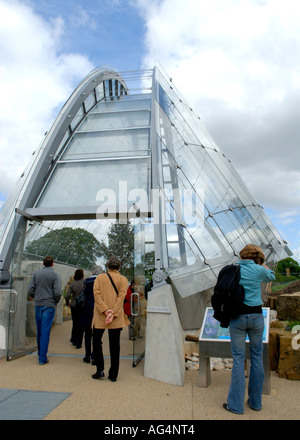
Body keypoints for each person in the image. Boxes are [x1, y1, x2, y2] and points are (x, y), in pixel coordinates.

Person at [223, 244, 275, 414]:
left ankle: (236, 406)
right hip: (256, 317)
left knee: (238, 359)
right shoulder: (259, 270)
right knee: (257, 358)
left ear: (242, 255)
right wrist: (262, 264)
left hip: (237, 317)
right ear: (256, 256)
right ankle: (255, 402)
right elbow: (271, 276)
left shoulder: (234, 269)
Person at [92, 255, 129, 382]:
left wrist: (105, 310)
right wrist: (112, 312)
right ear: (119, 267)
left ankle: (99, 370)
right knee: (115, 345)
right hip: (116, 316)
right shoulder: (123, 280)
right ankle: (113, 374)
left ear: (107, 266)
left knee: (97, 342)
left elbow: (96, 295)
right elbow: (121, 298)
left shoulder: (100, 278)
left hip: (100, 315)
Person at [28, 256, 61, 365]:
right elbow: (58, 292)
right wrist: (55, 301)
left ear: (43, 263)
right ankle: (42, 358)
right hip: (49, 304)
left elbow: (30, 289)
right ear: (52, 264)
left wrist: (35, 297)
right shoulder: (55, 275)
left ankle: (39, 353)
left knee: (39, 330)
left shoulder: (36, 274)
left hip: (38, 304)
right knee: (46, 331)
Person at [78, 265, 103, 364]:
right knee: (97, 336)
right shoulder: (102, 282)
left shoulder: (86, 282)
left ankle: (87, 355)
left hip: (87, 310)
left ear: (92, 272)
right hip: (98, 311)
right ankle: (95, 355)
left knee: (87, 334)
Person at [65, 268, 84, 349]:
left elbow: (67, 296)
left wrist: (67, 303)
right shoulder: (85, 283)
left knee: (75, 323)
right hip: (83, 305)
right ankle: (79, 341)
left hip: (74, 305)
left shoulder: (72, 284)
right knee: (81, 323)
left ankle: (73, 339)